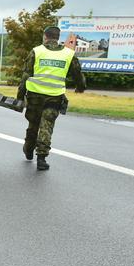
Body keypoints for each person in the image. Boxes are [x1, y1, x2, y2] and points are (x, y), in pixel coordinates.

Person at [17, 26, 85, 171]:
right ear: (58, 37)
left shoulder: (37, 51)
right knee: (46, 126)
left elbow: (25, 75)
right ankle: (41, 158)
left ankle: (28, 148)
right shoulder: (68, 54)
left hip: (35, 96)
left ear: (45, 36)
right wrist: (80, 87)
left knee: (34, 125)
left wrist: (20, 95)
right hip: (54, 97)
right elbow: (78, 73)